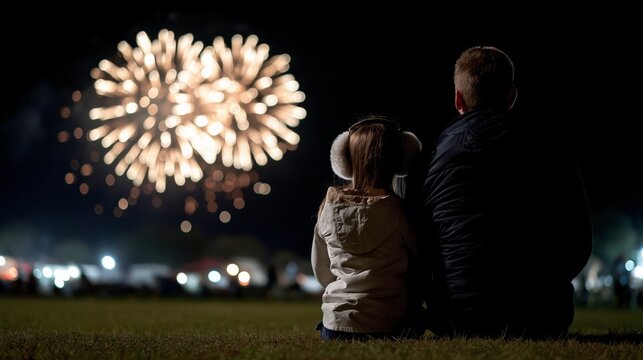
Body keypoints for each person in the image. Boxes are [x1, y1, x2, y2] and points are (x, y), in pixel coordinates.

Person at [418, 46, 593, 338]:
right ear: (511, 95)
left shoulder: (432, 156)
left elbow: (418, 241)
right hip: (542, 317)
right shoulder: (551, 149)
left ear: (459, 99)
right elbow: (580, 239)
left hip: (456, 318)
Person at [311, 116, 423, 340]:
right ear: (400, 161)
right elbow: (418, 269)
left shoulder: (328, 205)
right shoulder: (401, 211)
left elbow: (321, 270)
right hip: (390, 324)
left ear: (345, 161)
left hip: (336, 327)